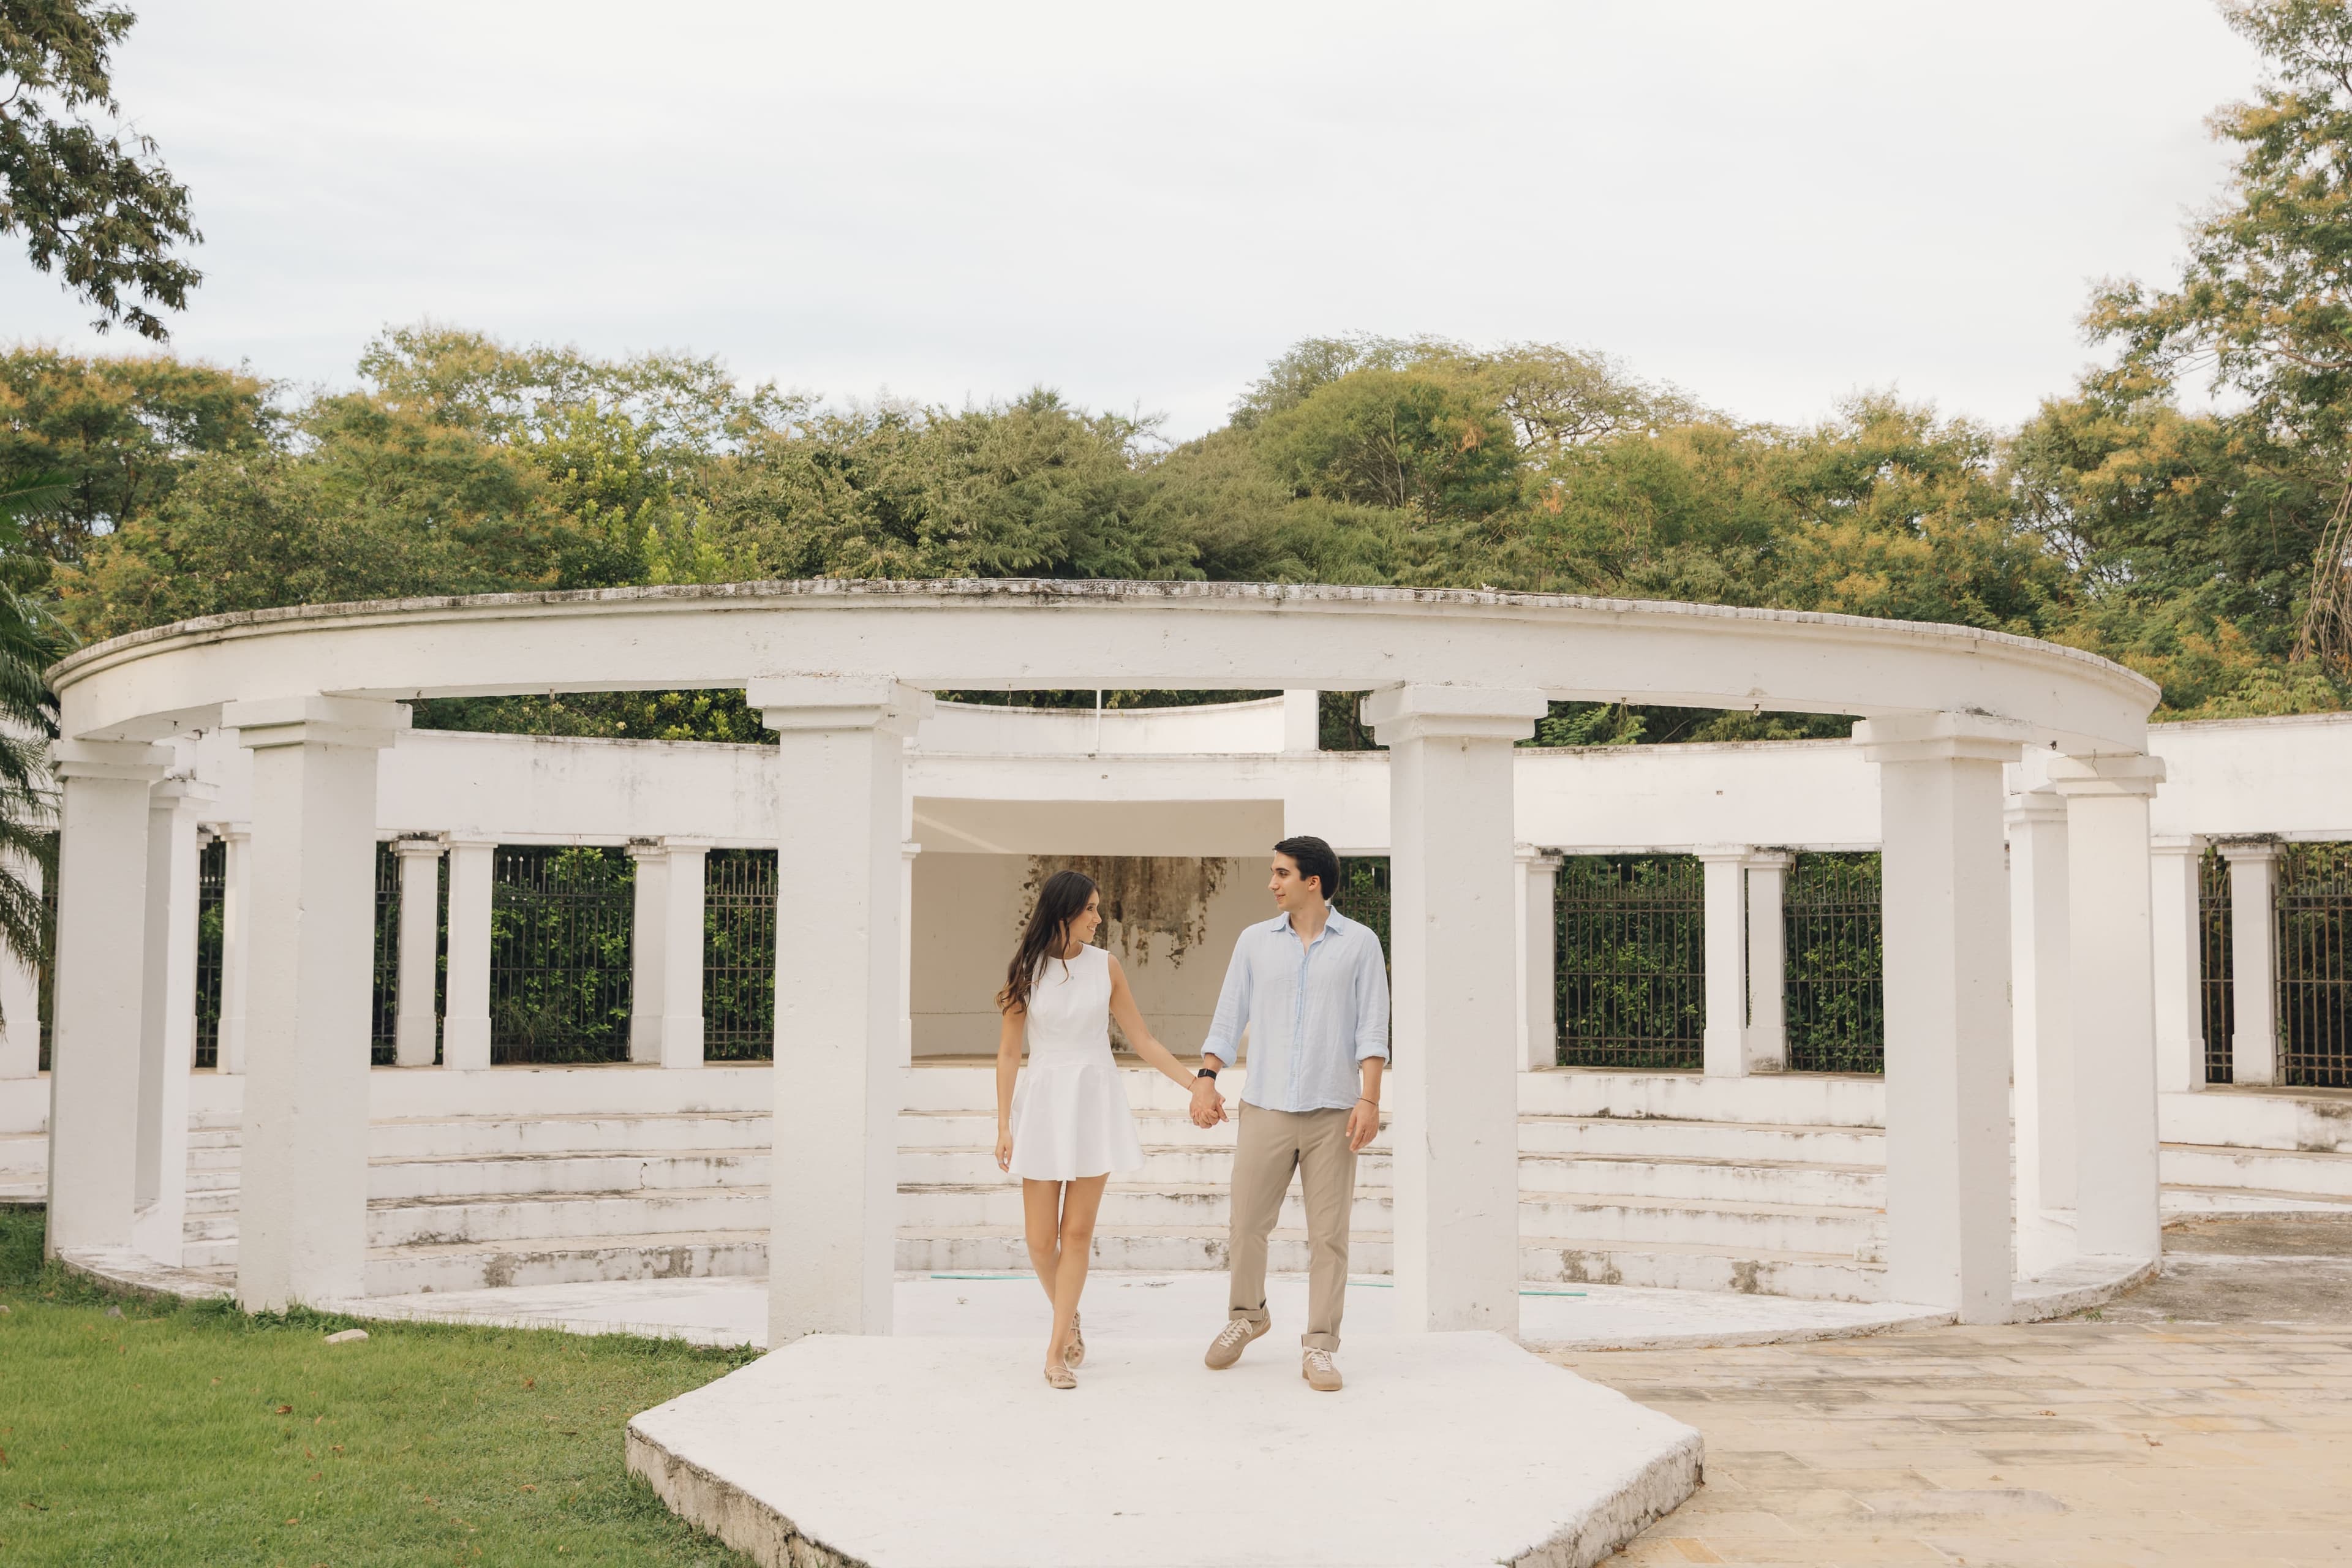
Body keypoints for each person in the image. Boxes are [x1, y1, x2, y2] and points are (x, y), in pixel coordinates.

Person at [995, 869, 1219, 1389]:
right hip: (1045, 1101)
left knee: (1075, 1234)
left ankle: (1055, 1352)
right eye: (1091, 909)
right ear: (1064, 914)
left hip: (1093, 1101)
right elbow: (1008, 1053)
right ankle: (1068, 1316)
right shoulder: (1025, 970)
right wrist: (1004, 1124)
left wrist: (1196, 1084)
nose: (1099, 918)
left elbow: (1142, 1038)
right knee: (1036, 1240)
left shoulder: (1107, 967)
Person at [1194, 835, 1389, 1393]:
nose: (1272, 883)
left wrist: (1370, 1099)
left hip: (1334, 1111)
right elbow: (1229, 1016)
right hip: (1266, 1107)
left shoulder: (1360, 944)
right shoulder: (1255, 942)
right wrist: (1207, 1080)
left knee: (1329, 1236)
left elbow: (1373, 1027)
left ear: (1314, 882)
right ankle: (1247, 1316)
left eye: (1282, 873)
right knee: (1247, 1223)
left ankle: (1321, 1346)